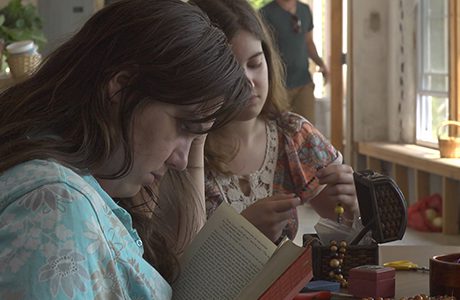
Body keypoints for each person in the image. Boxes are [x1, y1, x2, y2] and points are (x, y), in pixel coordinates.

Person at [0, 0, 251, 299]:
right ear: (121, 87)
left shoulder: (70, 186)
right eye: (184, 126)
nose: (182, 161)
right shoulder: (56, 206)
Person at [192, 0, 358, 244]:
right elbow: (174, 268)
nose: (248, 81)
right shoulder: (183, 150)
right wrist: (241, 235)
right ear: (199, 71)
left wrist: (351, 203)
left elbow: (341, 224)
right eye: (231, 70)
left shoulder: (292, 134)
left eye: (255, 64)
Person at [260, 0, 328, 125]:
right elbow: (263, 49)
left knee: (307, 128)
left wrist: (321, 64)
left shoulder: (305, 10)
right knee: (280, 128)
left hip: (303, 82)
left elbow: (308, 42)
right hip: (278, 86)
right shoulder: (266, 13)